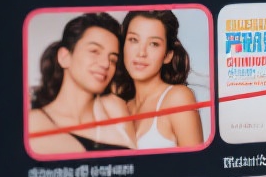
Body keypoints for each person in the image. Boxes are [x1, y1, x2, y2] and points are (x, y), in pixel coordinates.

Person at [28, 13, 134, 154]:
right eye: (94, 51)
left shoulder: (116, 111)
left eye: (113, 59)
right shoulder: (34, 123)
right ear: (64, 57)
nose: (105, 64)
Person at [114, 9, 203, 149]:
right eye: (133, 40)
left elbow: (199, 162)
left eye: (154, 44)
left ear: (167, 55)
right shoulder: (121, 107)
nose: (141, 53)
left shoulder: (177, 98)